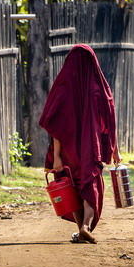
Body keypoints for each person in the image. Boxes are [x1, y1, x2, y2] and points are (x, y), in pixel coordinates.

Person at [40, 45, 121, 244]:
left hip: (67, 149)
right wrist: (114, 148)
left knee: (70, 185)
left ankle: (80, 229)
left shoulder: (63, 86)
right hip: (90, 147)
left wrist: (57, 156)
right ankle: (84, 227)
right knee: (90, 183)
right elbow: (110, 122)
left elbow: (55, 124)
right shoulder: (100, 88)